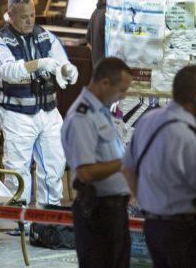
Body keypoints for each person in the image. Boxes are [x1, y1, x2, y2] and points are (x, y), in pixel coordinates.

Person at [122, 65, 196, 268]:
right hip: (185, 232)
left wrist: (148, 201)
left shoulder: (148, 120)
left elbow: (128, 169)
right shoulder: (191, 138)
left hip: (153, 225)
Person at [0, 0, 79, 207]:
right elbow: (8, 71)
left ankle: (49, 218)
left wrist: (67, 69)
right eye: (24, 17)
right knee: (17, 170)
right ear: (10, 16)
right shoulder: (0, 40)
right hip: (16, 113)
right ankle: (18, 224)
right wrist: (39, 64)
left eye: (32, 15)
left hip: (48, 111)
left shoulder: (45, 35)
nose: (30, 20)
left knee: (54, 165)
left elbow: (60, 61)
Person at [61, 57, 133, 268]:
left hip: (113, 210)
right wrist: (125, 162)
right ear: (105, 83)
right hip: (98, 211)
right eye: (122, 90)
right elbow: (86, 172)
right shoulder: (82, 117)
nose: (124, 96)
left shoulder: (99, 112)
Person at [86, 0, 107, 67]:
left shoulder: (96, 12)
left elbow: (89, 44)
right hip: (109, 76)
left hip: (99, 73)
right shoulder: (109, 15)